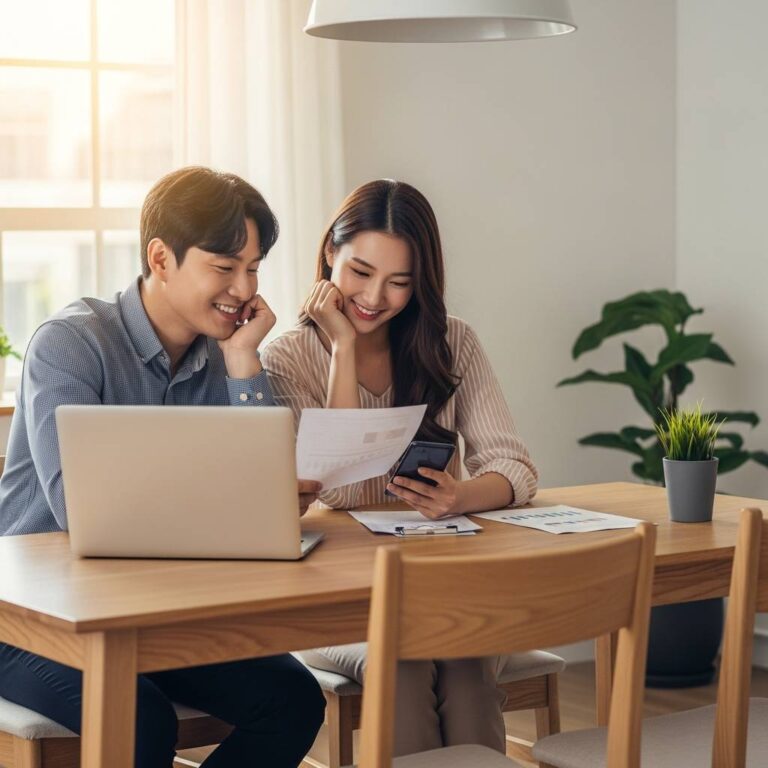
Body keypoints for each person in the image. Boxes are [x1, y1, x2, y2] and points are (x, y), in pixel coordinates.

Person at [0, 166, 325, 768]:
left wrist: (244, 360)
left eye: (253, 268)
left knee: (294, 700)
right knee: (141, 720)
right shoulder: (71, 345)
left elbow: (268, 483)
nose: (244, 288)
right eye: (225, 268)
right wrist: (239, 507)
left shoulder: (228, 355)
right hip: (31, 618)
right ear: (161, 258)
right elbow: (84, 514)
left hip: (156, 614)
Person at [261, 178, 539, 756]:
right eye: (360, 272)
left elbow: (514, 466)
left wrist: (458, 497)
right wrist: (340, 348)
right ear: (329, 257)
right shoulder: (287, 356)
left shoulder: (451, 341)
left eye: (399, 283)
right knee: (405, 665)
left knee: (466, 673)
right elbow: (338, 481)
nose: (374, 296)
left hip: (445, 589)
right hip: (339, 601)